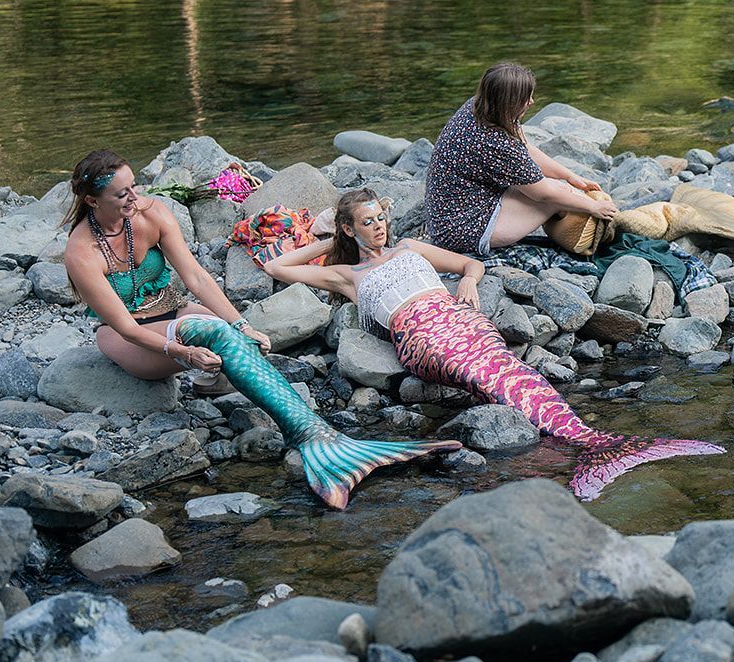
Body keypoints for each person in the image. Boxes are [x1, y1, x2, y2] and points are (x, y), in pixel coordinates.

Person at [265, 188, 723, 499]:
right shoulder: (349, 275)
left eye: (381, 217)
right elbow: (278, 268)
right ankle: (585, 447)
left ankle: (591, 441)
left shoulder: (410, 248)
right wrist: (325, 239)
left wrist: (467, 283)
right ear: (350, 230)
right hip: (418, 334)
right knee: (469, 368)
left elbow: (470, 265)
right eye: (367, 222)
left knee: (506, 364)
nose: (380, 227)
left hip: (453, 313)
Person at [62, 150, 457, 509]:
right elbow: (127, 327)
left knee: (231, 334)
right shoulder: (81, 252)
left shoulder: (151, 213)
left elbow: (197, 279)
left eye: (134, 186)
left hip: (174, 309)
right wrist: (183, 353)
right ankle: (310, 435)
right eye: (121, 195)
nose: (135, 197)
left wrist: (241, 323)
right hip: (128, 336)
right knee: (209, 333)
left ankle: (262, 405)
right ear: (93, 202)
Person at [425, 61, 618, 255]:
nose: (532, 102)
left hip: (452, 211)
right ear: (509, 102)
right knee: (559, 193)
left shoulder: (480, 105)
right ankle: (587, 237)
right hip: (462, 230)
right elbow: (542, 193)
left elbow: (525, 149)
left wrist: (570, 176)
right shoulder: (494, 142)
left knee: (564, 188)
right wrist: (593, 206)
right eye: (526, 98)